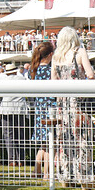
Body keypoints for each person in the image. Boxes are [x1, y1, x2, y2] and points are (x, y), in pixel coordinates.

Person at [51, 26, 95, 188]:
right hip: (79, 102)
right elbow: (90, 75)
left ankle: (65, 177)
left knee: (64, 140)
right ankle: (84, 178)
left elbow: (53, 81)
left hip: (63, 103)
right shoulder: (80, 52)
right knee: (83, 140)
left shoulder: (57, 56)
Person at [30, 42, 55, 179]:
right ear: (50, 54)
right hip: (50, 108)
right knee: (51, 143)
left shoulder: (34, 70)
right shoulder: (50, 70)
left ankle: (37, 171)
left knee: (43, 144)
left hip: (39, 108)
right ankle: (47, 173)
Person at [0, 63, 28, 167]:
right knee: (20, 135)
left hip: (6, 109)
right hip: (19, 109)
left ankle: (12, 160)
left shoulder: (1, 80)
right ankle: (21, 160)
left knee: (8, 135)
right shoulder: (22, 79)